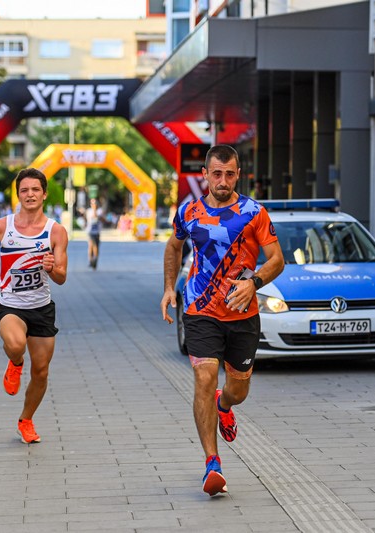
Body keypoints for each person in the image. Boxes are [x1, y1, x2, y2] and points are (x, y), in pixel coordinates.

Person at [160, 145, 284, 495]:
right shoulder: (189, 211)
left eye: (230, 174)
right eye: (217, 173)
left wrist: (254, 282)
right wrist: (170, 287)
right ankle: (211, 462)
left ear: (237, 175)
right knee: (204, 375)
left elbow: (276, 259)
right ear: (205, 173)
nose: (223, 181)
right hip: (200, 310)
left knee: (238, 388)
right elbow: (173, 247)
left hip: (243, 314)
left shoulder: (253, 212)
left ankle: (224, 405)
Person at [0, 168, 68, 444]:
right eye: (24, 190)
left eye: (35, 190)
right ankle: (15, 362)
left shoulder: (55, 231)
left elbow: (61, 278)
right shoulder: (1, 227)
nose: (30, 194)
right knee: (17, 344)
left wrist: (51, 268)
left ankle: (26, 420)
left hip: (42, 308)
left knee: (42, 371)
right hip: (11, 305)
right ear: (18, 194)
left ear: (44, 194)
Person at [85, 198, 103, 269]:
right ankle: (91, 260)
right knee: (91, 245)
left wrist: (95, 210)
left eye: (95, 203)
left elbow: (97, 217)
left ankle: (95, 260)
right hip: (90, 231)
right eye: (92, 203)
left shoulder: (99, 211)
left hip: (97, 231)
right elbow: (91, 218)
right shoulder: (89, 211)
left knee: (96, 247)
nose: (94, 205)